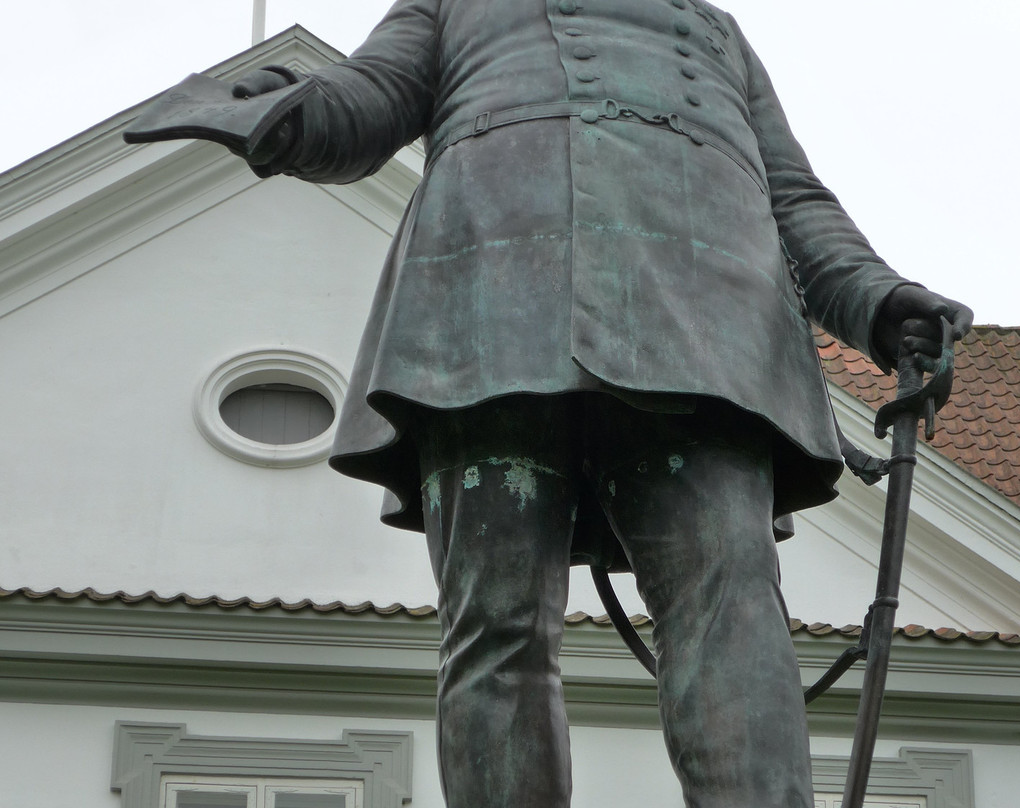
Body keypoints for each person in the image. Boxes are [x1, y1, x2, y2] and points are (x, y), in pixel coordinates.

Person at [227, 2, 972, 806]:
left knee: (733, 608)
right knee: (495, 619)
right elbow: (370, 97)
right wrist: (287, 111)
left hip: (703, 327)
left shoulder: (715, 30)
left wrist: (875, 297)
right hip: (487, 298)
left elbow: (791, 197)